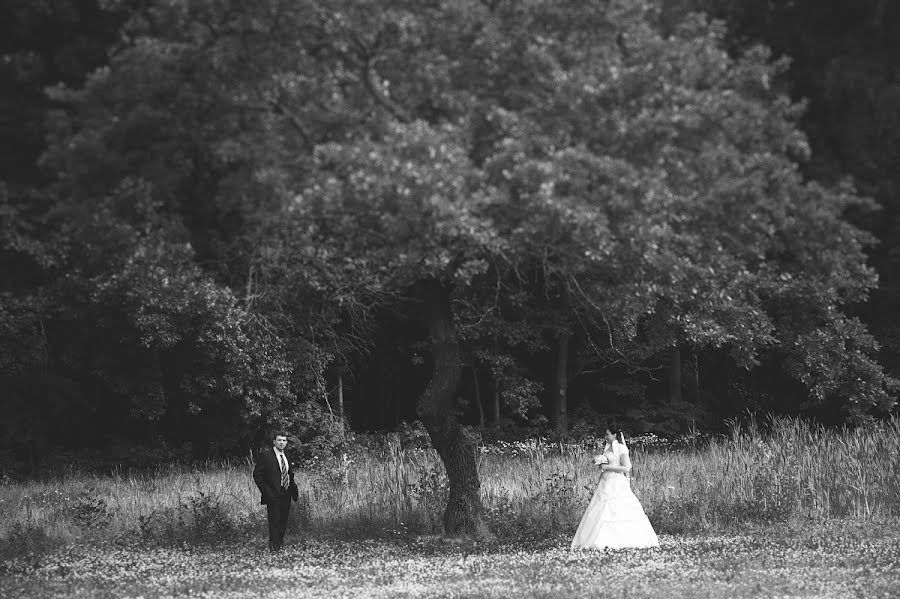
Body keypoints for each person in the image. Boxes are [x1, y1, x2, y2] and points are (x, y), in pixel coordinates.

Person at [570, 425, 659, 550]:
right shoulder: (607, 450)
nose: (605, 437)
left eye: (607, 434)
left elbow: (626, 468)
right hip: (605, 483)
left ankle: (622, 539)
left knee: (617, 509)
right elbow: (605, 465)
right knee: (600, 511)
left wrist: (607, 468)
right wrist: (600, 464)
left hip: (616, 482)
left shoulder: (621, 448)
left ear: (614, 435)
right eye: (605, 434)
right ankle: (598, 540)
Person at [253, 432, 299, 552]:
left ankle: (280, 544)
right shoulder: (266, 456)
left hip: (286, 493)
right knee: (274, 521)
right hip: (273, 494)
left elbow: (289, 473)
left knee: (283, 520)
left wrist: (293, 488)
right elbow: (257, 475)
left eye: (284, 440)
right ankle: (274, 548)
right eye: (279, 440)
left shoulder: (287, 455)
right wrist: (267, 492)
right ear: (274, 442)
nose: (281, 442)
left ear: (286, 442)